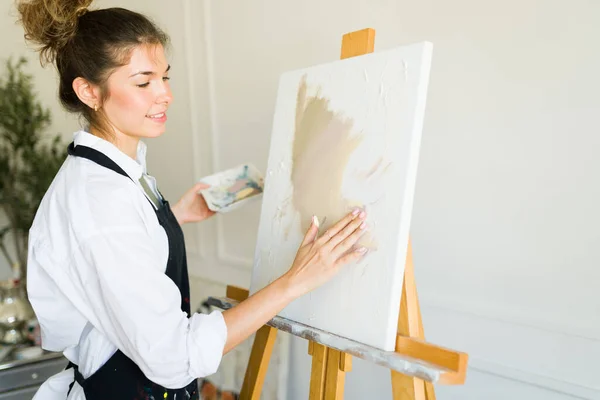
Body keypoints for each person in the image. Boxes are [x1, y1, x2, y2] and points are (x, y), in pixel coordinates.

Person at [16, 1, 369, 399]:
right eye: (143, 81)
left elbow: (119, 259)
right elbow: (174, 355)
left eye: (165, 77)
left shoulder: (114, 175)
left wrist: (174, 218)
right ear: (89, 91)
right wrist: (293, 283)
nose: (164, 94)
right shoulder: (101, 202)